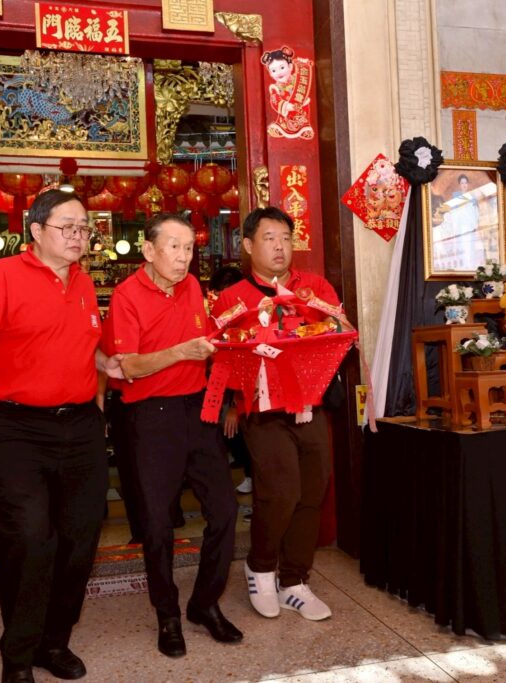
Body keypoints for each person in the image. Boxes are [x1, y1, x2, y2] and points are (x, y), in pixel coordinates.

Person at [0, 189, 122, 683]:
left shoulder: (84, 283)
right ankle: (18, 654)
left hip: (79, 427)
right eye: (67, 227)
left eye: (84, 228)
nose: (78, 236)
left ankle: (54, 642)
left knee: (80, 537)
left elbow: (83, 348)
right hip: (14, 428)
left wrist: (105, 368)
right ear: (35, 231)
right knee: (29, 538)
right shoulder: (1, 277)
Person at [109, 213, 241, 658]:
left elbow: (209, 343)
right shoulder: (127, 295)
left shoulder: (193, 288)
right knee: (156, 523)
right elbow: (128, 365)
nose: (184, 258)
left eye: (189, 248)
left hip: (197, 410)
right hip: (150, 416)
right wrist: (181, 352)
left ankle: (205, 604)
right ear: (149, 250)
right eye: (174, 247)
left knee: (224, 510)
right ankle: (167, 614)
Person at [212, 206, 340, 622]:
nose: (280, 246)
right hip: (263, 408)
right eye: (269, 239)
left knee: (313, 491)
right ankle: (261, 567)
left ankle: (295, 580)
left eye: (285, 237)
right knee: (280, 491)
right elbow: (219, 353)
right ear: (249, 246)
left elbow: (338, 331)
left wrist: (337, 329)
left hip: (309, 406)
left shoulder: (314, 287)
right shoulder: (232, 298)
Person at [207, 265, 254, 497]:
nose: (220, 299)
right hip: (223, 382)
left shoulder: (251, 314)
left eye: (223, 293)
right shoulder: (219, 316)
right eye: (217, 294)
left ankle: (251, 474)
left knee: (240, 432)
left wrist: (236, 405)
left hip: (246, 391)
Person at [261, 45, 315, 140]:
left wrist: (304, 64)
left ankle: (304, 129)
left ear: (290, 67)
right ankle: (281, 129)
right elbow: (275, 101)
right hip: (286, 114)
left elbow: (304, 71)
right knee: (284, 125)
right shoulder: (275, 88)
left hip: (301, 110)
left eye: (282, 67)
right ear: (270, 73)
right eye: (273, 70)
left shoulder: (298, 79)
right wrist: (286, 106)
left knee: (303, 120)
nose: (278, 72)